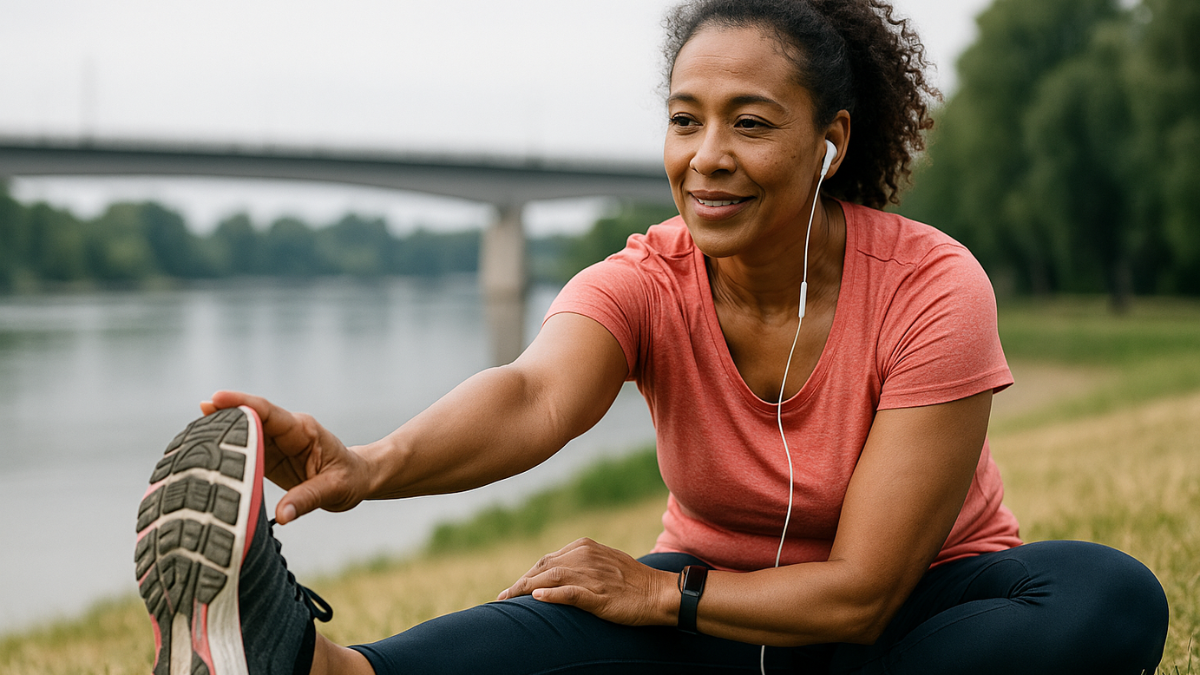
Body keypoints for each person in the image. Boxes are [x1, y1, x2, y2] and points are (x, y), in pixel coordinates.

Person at [133, 1, 1171, 673]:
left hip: (918, 615)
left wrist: (659, 590)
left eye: (751, 123)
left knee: (1105, 594)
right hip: (707, 622)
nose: (707, 157)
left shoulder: (933, 287)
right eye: (686, 119)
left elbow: (863, 592)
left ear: (831, 141)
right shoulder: (647, 277)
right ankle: (318, 668)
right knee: (570, 616)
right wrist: (371, 464)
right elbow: (536, 395)